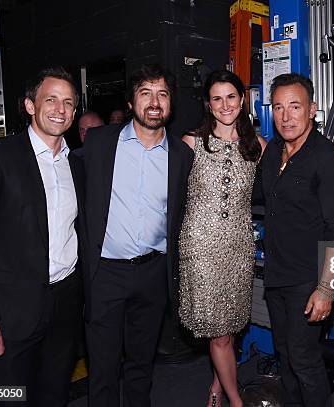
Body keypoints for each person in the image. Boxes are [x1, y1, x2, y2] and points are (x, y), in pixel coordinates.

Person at [0, 67, 85, 406]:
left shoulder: (77, 165)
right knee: (6, 398)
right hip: (7, 313)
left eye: (69, 103)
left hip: (64, 306)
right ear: (30, 105)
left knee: (54, 394)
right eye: (51, 100)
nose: (60, 109)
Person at [83, 64, 193, 407]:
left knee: (141, 364)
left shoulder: (181, 156)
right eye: (145, 93)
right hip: (105, 273)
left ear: (171, 104)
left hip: (152, 273)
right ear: (131, 102)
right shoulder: (100, 143)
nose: (154, 102)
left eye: (162, 94)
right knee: (101, 367)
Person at [253, 73, 334, 407]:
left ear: (312, 110)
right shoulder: (273, 150)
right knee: (285, 356)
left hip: (308, 280)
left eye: (295, 106)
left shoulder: (327, 159)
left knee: (304, 360)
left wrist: (325, 289)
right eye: (278, 107)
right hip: (277, 275)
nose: (285, 116)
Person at [179, 70, 266, 407]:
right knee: (219, 334)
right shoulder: (191, 142)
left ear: (242, 100)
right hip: (200, 249)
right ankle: (235, 399)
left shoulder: (257, 146)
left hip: (238, 249)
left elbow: (294, 165)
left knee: (229, 328)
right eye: (217, 98)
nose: (225, 104)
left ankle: (217, 383)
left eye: (231, 96)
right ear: (208, 104)